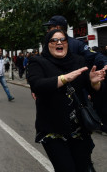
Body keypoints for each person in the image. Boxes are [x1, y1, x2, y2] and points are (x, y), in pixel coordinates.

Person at [27, 29, 106, 171]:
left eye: (63, 40)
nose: (59, 43)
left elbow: (92, 91)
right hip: (53, 131)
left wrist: (95, 82)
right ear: (47, 44)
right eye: (54, 40)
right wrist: (65, 78)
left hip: (79, 130)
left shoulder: (78, 61)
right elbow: (37, 85)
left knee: (83, 167)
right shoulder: (38, 62)